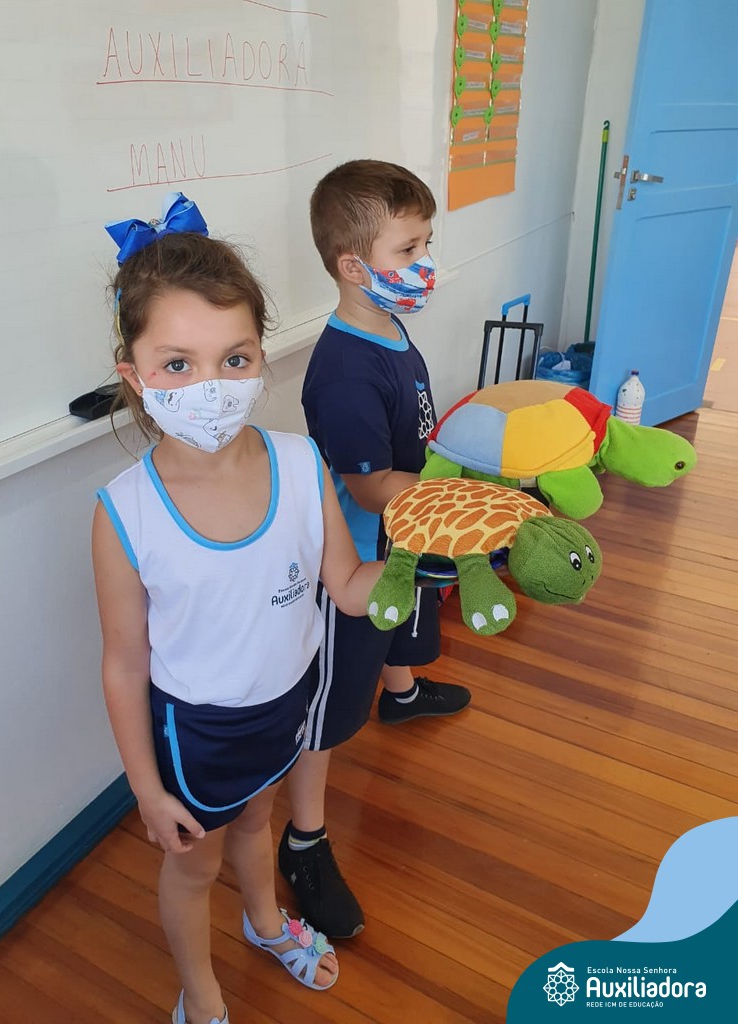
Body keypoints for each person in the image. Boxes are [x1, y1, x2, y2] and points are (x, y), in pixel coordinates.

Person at [92, 193, 384, 1024]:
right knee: (194, 865)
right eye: (177, 365)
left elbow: (347, 586)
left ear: (261, 355)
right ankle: (203, 994)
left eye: (235, 357)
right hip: (200, 734)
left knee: (258, 821)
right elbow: (124, 664)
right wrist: (146, 790)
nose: (211, 386)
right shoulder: (125, 513)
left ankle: (264, 921)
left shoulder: (301, 463)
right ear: (134, 375)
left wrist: (422, 564)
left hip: (285, 702)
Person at [278, 161, 472, 940]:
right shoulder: (344, 373)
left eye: (426, 243)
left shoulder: (388, 324)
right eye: (409, 249)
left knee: (407, 626)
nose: (425, 263)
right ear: (353, 267)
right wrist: (461, 493)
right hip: (357, 557)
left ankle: (403, 694)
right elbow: (365, 490)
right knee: (328, 708)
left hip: (405, 529)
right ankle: (305, 840)